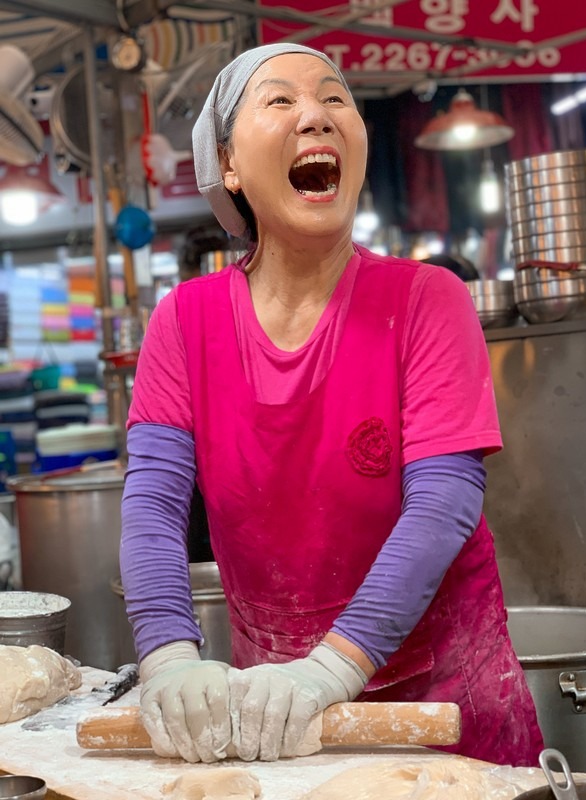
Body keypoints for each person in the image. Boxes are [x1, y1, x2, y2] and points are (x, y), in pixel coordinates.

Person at [120, 43, 543, 768]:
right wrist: (166, 655)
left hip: (444, 717)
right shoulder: (183, 322)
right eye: (280, 100)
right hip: (278, 718)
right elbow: (154, 501)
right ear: (227, 164)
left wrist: (332, 670)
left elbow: (443, 500)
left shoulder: (425, 299)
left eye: (335, 98)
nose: (315, 113)